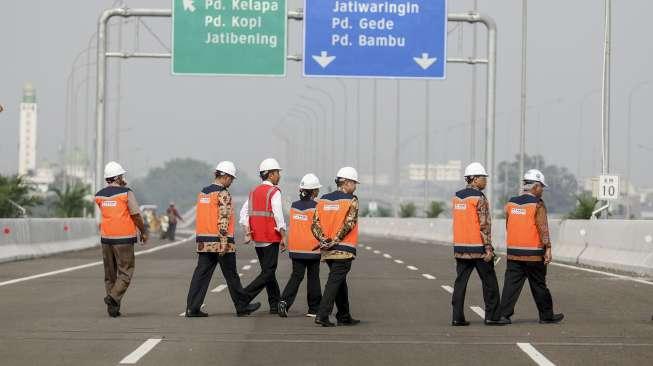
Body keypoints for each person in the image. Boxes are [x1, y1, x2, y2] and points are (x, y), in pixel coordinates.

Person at [185, 161, 261, 317]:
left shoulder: (203, 193)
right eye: (231, 178)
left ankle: (192, 308)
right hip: (220, 242)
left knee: (200, 275)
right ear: (225, 176)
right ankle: (241, 307)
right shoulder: (223, 193)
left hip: (204, 243)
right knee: (231, 275)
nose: (231, 182)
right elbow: (224, 218)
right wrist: (224, 241)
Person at [499, 169, 564, 324]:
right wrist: (548, 248)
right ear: (535, 187)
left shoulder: (511, 202)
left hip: (514, 253)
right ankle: (546, 316)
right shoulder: (538, 204)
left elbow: (509, 225)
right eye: (542, 187)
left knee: (511, 285)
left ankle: (503, 315)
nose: (542, 190)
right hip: (534, 253)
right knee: (539, 285)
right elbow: (543, 228)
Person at [451, 162, 508, 326]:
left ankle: (457, 317)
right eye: (483, 178)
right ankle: (492, 316)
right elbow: (484, 225)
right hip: (478, 248)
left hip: (461, 248)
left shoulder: (456, 197)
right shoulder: (479, 198)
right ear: (474, 179)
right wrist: (488, 248)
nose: (485, 181)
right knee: (489, 282)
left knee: (460, 283)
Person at [94, 161, 148, 318]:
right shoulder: (126, 193)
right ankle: (112, 298)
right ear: (118, 177)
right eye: (122, 176)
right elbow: (136, 214)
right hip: (124, 239)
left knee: (110, 275)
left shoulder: (99, 195)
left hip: (106, 239)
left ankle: (113, 309)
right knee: (125, 272)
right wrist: (143, 232)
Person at [312, 167, 360, 327]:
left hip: (328, 250)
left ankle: (344, 316)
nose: (355, 186)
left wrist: (323, 240)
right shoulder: (351, 200)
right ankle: (322, 315)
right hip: (343, 249)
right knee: (334, 282)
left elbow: (315, 224)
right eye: (354, 183)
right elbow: (350, 223)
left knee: (339, 282)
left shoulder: (323, 200)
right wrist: (336, 239)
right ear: (346, 182)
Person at [240, 158, 287, 314]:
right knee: (268, 272)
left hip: (257, 238)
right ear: (271, 174)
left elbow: (243, 213)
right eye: (277, 173)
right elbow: (278, 215)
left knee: (268, 271)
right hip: (270, 237)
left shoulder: (253, 191)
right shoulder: (274, 191)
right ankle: (243, 297)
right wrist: (284, 236)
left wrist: (248, 230)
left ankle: (274, 304)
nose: (279, 176)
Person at [278, 174, 323, 318]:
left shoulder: (294, 206)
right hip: (312, 248)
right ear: (314, 191)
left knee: (296, 277)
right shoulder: (317, 207)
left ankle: (284, 301)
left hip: (296, 249)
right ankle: (314, 309)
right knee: (313, 278)